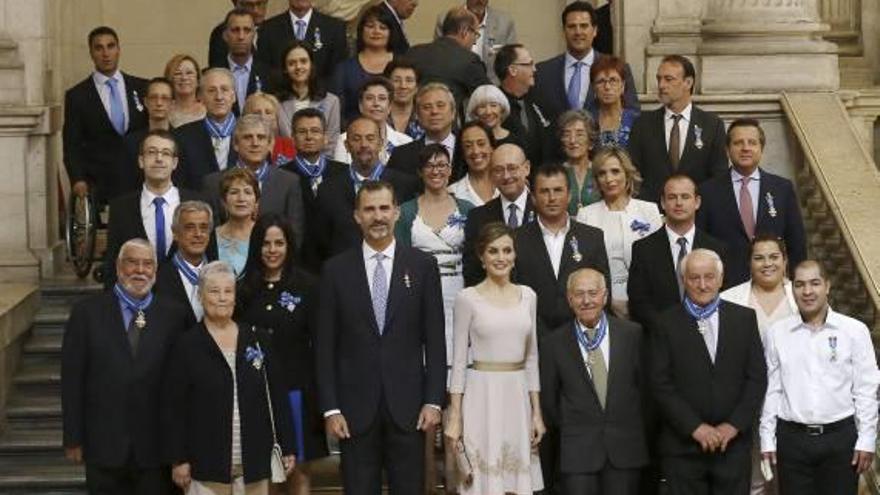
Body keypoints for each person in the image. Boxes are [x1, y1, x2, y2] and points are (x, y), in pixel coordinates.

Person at [315, 180, 446, 494]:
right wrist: (331, 409)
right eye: (369, 209)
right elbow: (324, 347)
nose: (378, 216)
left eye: (384, 208)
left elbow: (436, 341)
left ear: (397, 213)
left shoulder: (423, 266)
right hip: (354, 411)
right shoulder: (335, 271)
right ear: (357, 216)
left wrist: (433, 401)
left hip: (410, 410)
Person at [62, 239, 189, 494]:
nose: (140, 270)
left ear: (155, 270)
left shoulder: (175, 316)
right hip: (103, 444)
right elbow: (72, 379)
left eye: (147, 264)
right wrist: (73, 437)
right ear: (119, 267)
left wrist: (182, 450)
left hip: (157, 449)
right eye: (132, 262)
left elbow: (182, 388)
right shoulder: (86, 313)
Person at [162, 261, 296, 494]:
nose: (222, 298)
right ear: (201, 297)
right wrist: (178, 459)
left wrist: (288, 446)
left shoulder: (258, 339)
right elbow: (174, 408)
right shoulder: (186, 345)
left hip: (254, 464)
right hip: (206, 466)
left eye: (228, 291)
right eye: (214, 291)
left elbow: (277, 397)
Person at [652, 248, 767, 495]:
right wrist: (695, 427)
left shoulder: (744, 319)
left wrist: (733, 426)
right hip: (683, 449)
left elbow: (756, 378)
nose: (702, 285)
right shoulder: (665, 323)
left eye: (709, 277)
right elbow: (660, 384)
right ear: (684, 280)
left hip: (733, 447)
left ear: (720, 279)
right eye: (694, 278)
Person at [760, 260, 880, 495]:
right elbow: (772, 389)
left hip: (840, 439)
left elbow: (866, 389)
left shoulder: (854, 331)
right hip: (792, 440)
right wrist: (767, 437)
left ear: (828, 285)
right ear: (791, 289)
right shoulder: (777, 333)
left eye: (815, 283)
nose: (807, 291)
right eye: (799, 284)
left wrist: (867, 439)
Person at [445, 222, 544, 494]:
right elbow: (458, 363)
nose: (501, 257)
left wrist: (536, 412)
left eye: (507, 250)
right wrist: (455, 416)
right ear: (481, 256)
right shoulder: (467, 298)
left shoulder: (528, 296)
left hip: (517, 395)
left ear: (514, 255)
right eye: (493, 251)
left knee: (515, 482)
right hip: (481, 397)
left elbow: (532, 357)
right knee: (482, 482)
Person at [236, 214, 329, 495]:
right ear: (256, 246)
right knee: (267, 473)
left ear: (289, 246)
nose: (272, 250)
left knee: (298, 473)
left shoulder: (309, 286)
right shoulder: (243, 289)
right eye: (266, 243)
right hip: (256, 394)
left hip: (297, 394)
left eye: (279, 243)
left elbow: (321, 342)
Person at [540, 268, 648, 495]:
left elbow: (646, 393)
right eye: (579, 294)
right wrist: (577, 425)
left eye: (593, 293)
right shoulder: (554, 343)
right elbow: (549, 403)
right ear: (570, 299)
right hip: (577, 453)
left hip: (625, 450)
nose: (586, 300)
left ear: (605, 296)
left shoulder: (632, 334)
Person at [720, 234, 797, 495]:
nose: (767, 264)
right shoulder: (730, 298)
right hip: (745, 401)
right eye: (759, 258)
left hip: (791, 401)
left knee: (788, 476)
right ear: (749, 262)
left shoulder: (802, 297)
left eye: (774, 257)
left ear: (785, 261)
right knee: (752, 475)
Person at [697, 118, 807, 286]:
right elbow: (700, 244)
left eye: (752, 143)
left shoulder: (782, 188)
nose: (745, 148)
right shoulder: (708, 191)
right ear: (727, 149)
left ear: (761, 148)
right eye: (738, 143)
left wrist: (798, 284)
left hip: (773, 285)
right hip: (725, 287)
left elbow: (796, 244)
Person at [395, 144, 474, 369]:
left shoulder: (466, 209)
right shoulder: (406, 212)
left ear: (450, 170)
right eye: (429, 166)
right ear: (420, 172)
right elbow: (401, 259)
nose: (436, 171)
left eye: (441, 165)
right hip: (422, 290)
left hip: (460, 289)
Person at [513, 163, 610, 339]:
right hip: (530, 338)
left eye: (558, 190)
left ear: (569, 195)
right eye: (544, 191)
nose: (552, 198)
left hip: (580, 337)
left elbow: (603, 291)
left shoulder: (592, 237)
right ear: (533, 197)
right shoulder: (516, 239)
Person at [628, 174, 728, 331]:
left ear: (697, 202)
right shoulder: (643, 249)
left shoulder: (717, 248)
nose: (679, 203)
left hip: (709, 332)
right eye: (672, 197)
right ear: (662, 202)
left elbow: (726, 295)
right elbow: (639, 301)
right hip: (660, 337)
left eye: (685, 197)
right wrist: (667, 327)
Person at [104, 129, 202, 288]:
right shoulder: (121, 208)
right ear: (141, 161)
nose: (159, 159)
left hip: (187, 301)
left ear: (174, 163)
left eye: (165, 153)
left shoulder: (198, 202)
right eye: (152, 152)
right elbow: (113, 263)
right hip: (137, 298)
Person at [63, 26, 148, 203]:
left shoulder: (141, 87)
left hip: (140, 178)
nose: (106, 53)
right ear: (91, 53)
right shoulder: (77, 95)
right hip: (99, 182)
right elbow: (72, 143)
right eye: (99, 48)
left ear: (119, 49)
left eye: (110, 46)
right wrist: (77, 179)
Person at [627, 54, 728, 203]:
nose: (661, 85)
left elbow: (718, 176)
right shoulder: (643, 124)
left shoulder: (712, 125)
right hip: (652, 214)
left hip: (697, 215)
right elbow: (633, 174)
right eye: (659, 79)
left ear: (688, 82)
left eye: (668, 79)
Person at [576, 147, 662, 319]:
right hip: (602, 305)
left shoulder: (649, 210)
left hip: (648, 302)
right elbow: (585, 266)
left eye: (615, 171)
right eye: (602, 173)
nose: (609, 179)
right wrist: (609, 301)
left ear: (627, 174)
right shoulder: (586, 215)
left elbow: (658, 262)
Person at [316, 117, 418, 261]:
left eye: (370, 138)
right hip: (346, 275)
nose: (363, 144)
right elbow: (321, 244)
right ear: (346, 145)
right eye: (356, 139)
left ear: (381, 143)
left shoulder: (405, 185)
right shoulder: (328, 190)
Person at [202, 115, 306, 248]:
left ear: (270, 144)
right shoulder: (213, 182)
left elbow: (294, 235)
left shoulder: (289, 182)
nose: (255, 143)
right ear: (235, 144)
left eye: (261, 137)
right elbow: (211, 236)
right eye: (247, 137)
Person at [534, 1, 638, 127]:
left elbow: (632, 112)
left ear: (595, 31)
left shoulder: (618, 68)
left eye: (584, 26)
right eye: (572, 26)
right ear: (564, 31)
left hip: (603, 145)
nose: (578, 32)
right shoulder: (543, 72)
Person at [279, 108, 349, 272]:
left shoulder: (344, 173)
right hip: (296, 264)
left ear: (325, 137)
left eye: (315, 131)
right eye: (302, 131)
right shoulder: (281, 176)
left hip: (338, 262)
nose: (309, 137)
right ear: (293, 138)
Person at [463, 143, 534, 286]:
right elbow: (471, 270)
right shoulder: (478, 217)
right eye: (498, 170)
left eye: (512, 168)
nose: (506, 176)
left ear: (526, 168)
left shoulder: (543, 211)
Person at [406, 6, 490, 118]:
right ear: (464, 31)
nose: (475, 41)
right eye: (475, 34)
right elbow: (489, 97)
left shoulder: (413, 52)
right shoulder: (469, 60)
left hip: (411, 125)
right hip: (445, 127)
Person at [174, 68, 239, 189]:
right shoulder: (182, 137)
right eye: (211, 90)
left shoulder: (252, 133)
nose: (219, 97)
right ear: (201, 97)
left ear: (234, 96)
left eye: (224, 89)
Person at [330, 5, 396, 124]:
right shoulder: (344, 69)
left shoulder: (401, 64)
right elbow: (337, 111)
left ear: (391, 32)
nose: (376, 31)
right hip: (354, 134)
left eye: (383, 27)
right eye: (370, 26)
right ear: (361, 30)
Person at [153, 201, 216, 327]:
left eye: (204, 227)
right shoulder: (157, 279)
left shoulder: (221, 274)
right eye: (189, 227)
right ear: (175, 233)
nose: (198, 234)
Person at [387, 82, 465, 178]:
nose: (434, 111)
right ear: (417, 115)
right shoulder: (401, 156)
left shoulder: (467, 149)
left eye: (440, 105)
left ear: (453, 112)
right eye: (427, 107)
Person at [275, 39, 340, 153]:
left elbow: (331, 144)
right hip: (285, 166)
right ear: (285, 69)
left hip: (321, 166)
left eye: (303, 61)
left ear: (311, 65)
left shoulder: (331, 101)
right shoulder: (275, 103)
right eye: (292, 63)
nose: (298, 67)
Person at [495, 43, 553, 170]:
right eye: (529, 64)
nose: (535, 69)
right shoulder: (495, 107)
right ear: (513, 70)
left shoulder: (538, 98)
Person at [257, 0, 348, 81]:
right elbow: (265, 72)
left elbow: (337, 75)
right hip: (280, 97)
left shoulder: (335, 28)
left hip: (321, 97)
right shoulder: (268, 29)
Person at [332, 77, 412, 165]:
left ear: (389, 107)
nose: (376, 103)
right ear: (361, 106)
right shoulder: (344, 139)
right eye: (370, 98)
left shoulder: (406, 142)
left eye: (382, 98)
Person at [434, 0, 518, 84]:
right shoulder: (445, 19)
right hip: (455, 86)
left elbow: (510, 62)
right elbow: (440, 56)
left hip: (492, 87)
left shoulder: (505, 23)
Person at [212, 8, 271, 117]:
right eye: (235, 30)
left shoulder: (269, 74)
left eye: (247, 30)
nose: (241, 36)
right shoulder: (213, 74)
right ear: (225, 35)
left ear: (254, 35)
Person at [122, 78, 177, 193]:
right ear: (146, 102)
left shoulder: (183, 140)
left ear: (172, 104)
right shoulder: (130, 142)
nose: (159, 103)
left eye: (165, 98)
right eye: (154, 98)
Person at [214, 167, 259, 276]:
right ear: (224, 201)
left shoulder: (265, 235)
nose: (241, 198)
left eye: (247, 192)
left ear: (256, 201)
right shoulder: (211, 236)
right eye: (234, 192)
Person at [590, 55, 640, 149]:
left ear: (623, 86)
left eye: (613, 80)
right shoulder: (587, 122)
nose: (607, 87)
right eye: (601, 81)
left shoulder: (637, 121)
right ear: (593, 87)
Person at [448, 120, 498, 207]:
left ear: (492, 147)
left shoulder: (509, 183)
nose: (475, 151)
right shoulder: (453, 193)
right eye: (468, 146)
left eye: (481, 144)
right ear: (462, 153)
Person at [558, 110, 599, 214]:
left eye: (579, 134)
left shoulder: (601, 171)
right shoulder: (556, 174)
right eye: (567, 135)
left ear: (590, 142)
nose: (572, 140)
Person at [208, 0, 269, 69]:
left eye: (260, 4)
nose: (256, 10)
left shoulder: (273, 30)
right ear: (237, 5)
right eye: (249, 5)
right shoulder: (221, 32)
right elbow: (217, 70)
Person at [242, 91, 297, 166]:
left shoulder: (291, 145)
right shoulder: (241, 147)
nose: (263, 117)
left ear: (276, 117)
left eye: (268, 112)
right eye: (256, 113)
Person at [384, 58, 424, 140]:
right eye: (396, 80)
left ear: (417, 87)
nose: (403, 86)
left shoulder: (425, 117)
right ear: (387, 85)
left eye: (409, 80)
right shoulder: (378, 116)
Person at [164, 54, 207, 128]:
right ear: (170, 80)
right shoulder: (163, 110)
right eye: (177, 74)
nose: (184, 78)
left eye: (189, 73)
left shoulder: (209, 109)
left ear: (198, 79)